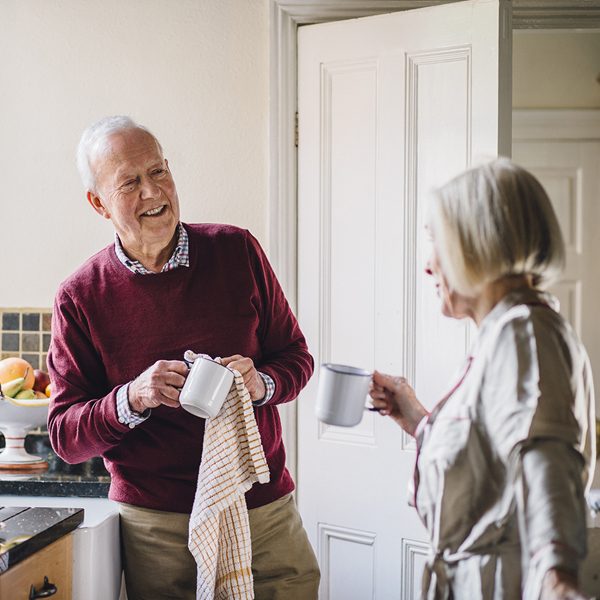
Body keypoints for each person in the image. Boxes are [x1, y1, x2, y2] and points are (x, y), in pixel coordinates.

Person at [47, 116, 320, 600]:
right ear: (99, 204)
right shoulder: (80, 296)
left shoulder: (236, 251)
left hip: (262, 509)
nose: (153, 193)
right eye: (130, 183)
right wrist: (132, 398)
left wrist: (261, 384)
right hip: (157, 526)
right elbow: (65, 436)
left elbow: (296, 357)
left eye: (159, 172)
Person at [369, 158, 595, 600]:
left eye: (436, 241)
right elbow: (491, 462)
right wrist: (417, 419)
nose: (429, 267)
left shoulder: (523, 333)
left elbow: (545, 460)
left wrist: (557, 580)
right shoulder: (505, 334)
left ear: (477, 244)